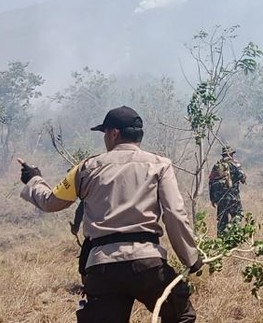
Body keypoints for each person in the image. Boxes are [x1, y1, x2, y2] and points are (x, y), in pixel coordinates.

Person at [19, 106, 202, 323]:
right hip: (147, 265)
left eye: (105, 133)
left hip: (102, 268)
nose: (105, 138)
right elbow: (175, 214)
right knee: (181, 315)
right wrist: (191, 258)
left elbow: (50, 202)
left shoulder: (86, 168)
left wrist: (34, 179)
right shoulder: (160, 165)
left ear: (114, 133)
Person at [209, 145, 246, 236]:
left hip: (220, 199)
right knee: (239, 214)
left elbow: (210, 183)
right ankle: (231, 233)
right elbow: (243, 178)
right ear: (231, 154)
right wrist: (238, 167)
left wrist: (213, 199)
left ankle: (221, 243)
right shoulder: (234, 164)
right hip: (233, 197)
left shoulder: (217, 166)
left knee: (222, 220)